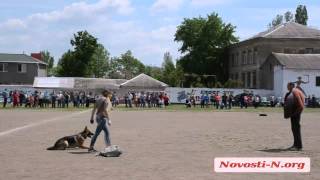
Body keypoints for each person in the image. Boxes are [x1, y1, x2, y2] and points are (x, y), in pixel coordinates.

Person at [284, 82, 305, 151]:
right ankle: (296, 144)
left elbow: (301, 106)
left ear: (291, 86)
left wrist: (295, 114)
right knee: (295, 129)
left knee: (296, 129)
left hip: (296, 114)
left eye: (288, 86)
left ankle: (298, 146)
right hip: (295, 113)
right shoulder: (295, 91)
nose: (287, 87)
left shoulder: (295, 92)